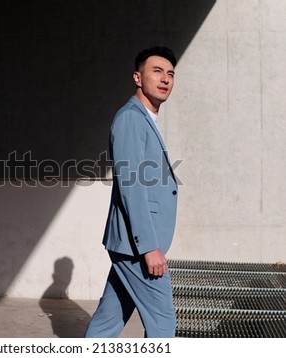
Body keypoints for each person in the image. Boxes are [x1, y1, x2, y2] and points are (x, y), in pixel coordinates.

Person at [84, 46, 179, 338]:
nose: (165, 79)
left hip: (130, 245)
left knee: (107, 321)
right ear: (138, 78)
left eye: (171, 73)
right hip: (137, 246)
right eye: (157, 70)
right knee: (163, 325)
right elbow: (132, 186)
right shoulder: (130, 119)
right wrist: (149, 246)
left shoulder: (145, 118)